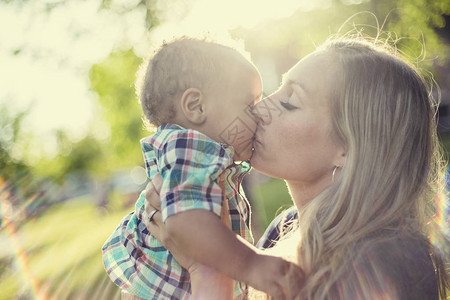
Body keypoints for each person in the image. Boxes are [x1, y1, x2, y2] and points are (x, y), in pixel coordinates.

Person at [144, 36, 449, 299]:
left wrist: (206, 270)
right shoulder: (280, 234)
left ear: (350, 147)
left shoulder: (389, 261)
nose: (259, 110)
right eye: (275, 93)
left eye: (289, 102)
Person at [102, 37, 303, 300]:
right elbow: (184, 218)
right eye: (248, 105)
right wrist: (251, 265)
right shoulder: (188, 145)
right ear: (196, 106)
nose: (259, 113)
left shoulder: (199, 155)